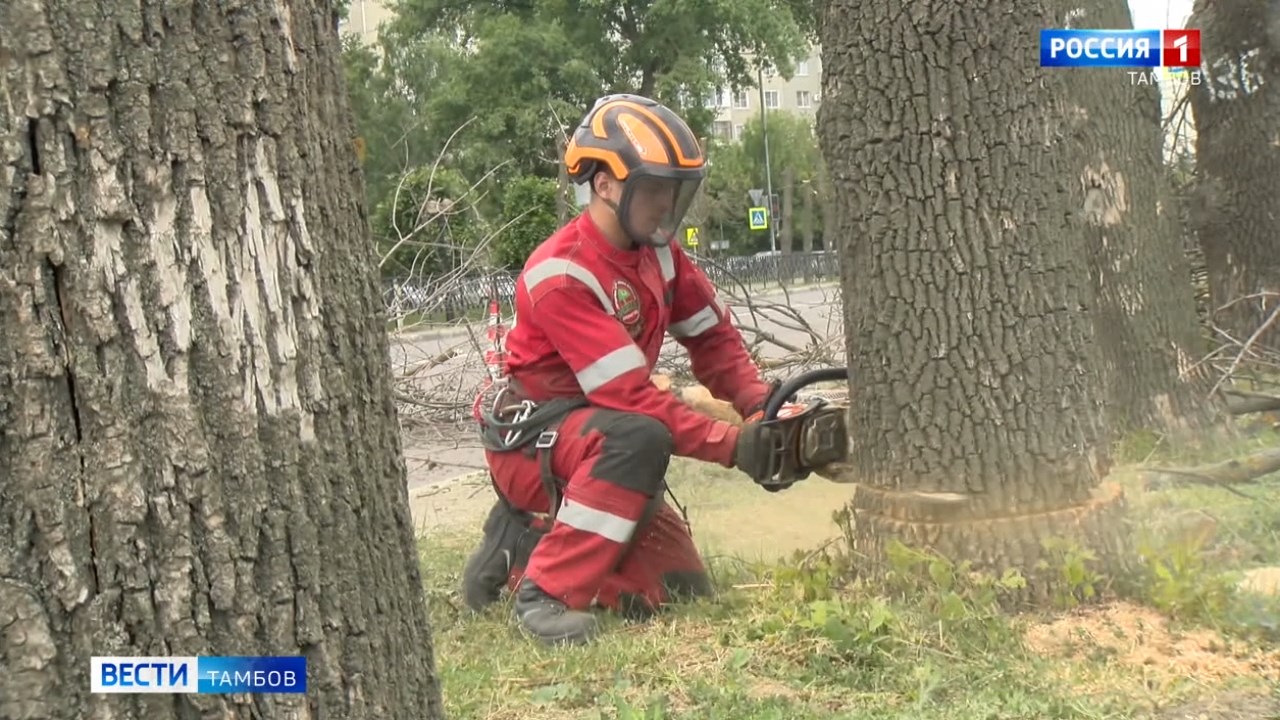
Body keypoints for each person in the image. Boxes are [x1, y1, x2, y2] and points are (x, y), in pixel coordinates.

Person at [463, 93, 794, 646]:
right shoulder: (561, 274)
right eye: (656, 189)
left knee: (676, 588)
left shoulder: (658, 252)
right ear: (606, 184)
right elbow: (631, 399)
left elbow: (713, 339)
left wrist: (761, 405)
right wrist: (734, 447)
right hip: (537, 443)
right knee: (641, 436)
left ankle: (519, 546)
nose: (668, 204)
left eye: (676, 191)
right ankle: (543, 594)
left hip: (598, 435)